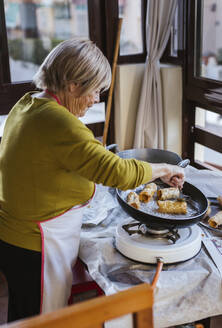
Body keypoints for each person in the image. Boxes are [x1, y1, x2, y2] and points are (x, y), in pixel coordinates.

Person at [0, 39, 184, 322]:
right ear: (73, 85)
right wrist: (162, 169)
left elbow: (65, 159)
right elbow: (118, 173)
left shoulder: (28, 104)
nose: (96, 99)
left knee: (23, 315)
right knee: (42, 321)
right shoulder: (58, 122)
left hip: (14, 237)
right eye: (95, 90)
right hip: (36, 243)